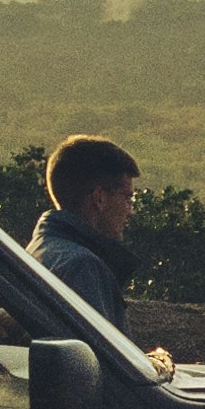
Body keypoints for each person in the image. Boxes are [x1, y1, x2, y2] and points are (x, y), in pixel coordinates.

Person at [27, 134, 140, 325]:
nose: (131, 211)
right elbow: (99, 353)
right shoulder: (84, 268)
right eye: (128, 198)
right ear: (99, 198)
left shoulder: (38, 251)